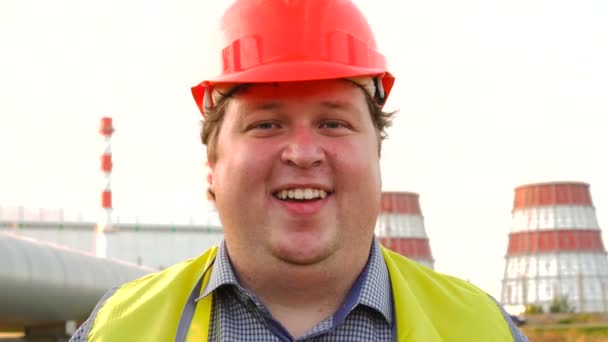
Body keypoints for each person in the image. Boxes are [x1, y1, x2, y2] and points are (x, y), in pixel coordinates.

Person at [71, 0, 528, 341]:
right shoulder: (118, 329)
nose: (304, 153)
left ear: (377, 156)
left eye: (334, 123)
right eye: (266, 124)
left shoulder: (482, 329)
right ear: (212, 166)